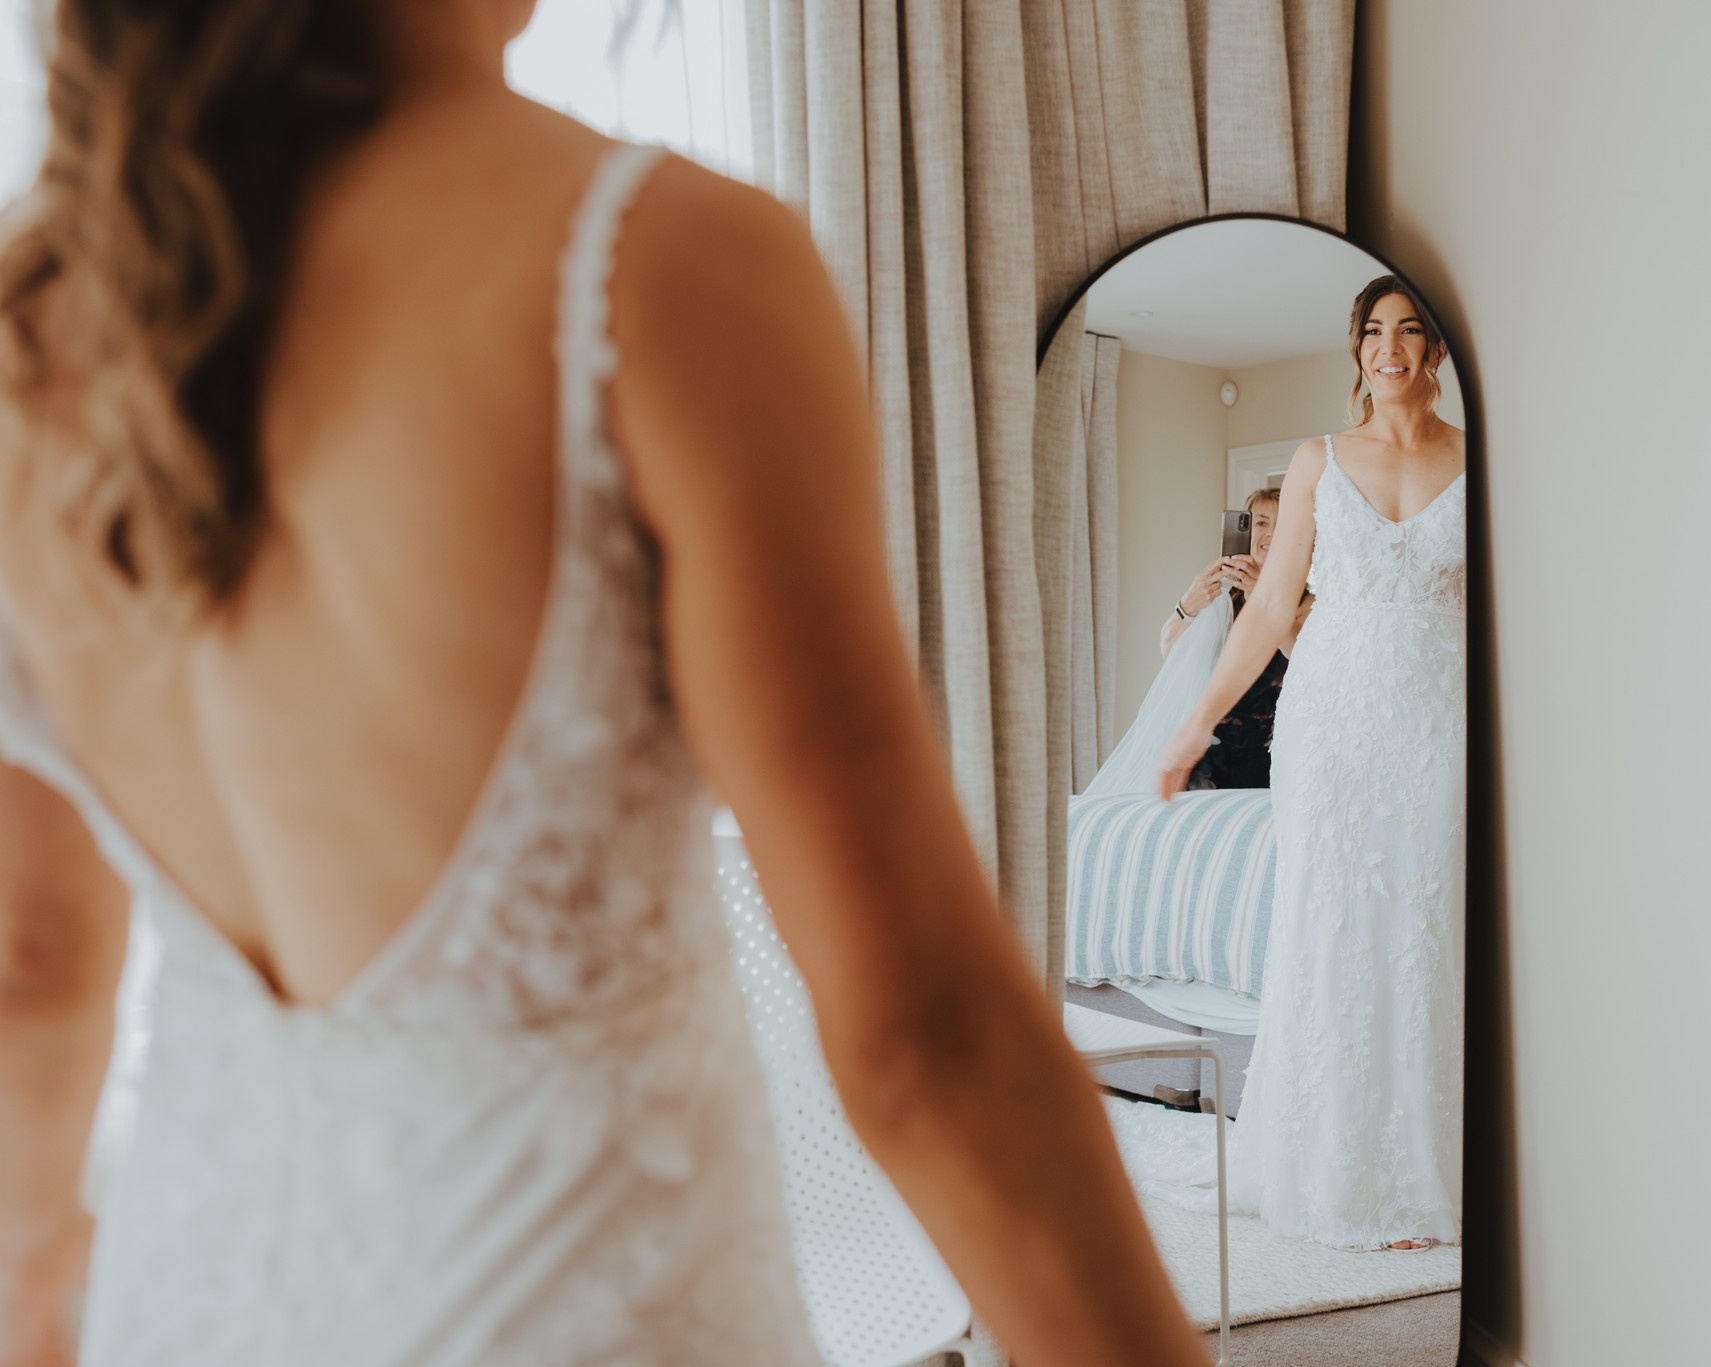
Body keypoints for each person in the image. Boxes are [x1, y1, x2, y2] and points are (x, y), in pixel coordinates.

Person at [0, 3, 1207, 1364]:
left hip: (187, 1302)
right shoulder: (654, 260)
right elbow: (925, 1036)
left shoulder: (32, 333)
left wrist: (35, 1293)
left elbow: (30, 965)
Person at [1158, 276, 1466, 1251]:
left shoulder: (1478, 459)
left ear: (1434, 349)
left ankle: (1421, 1169)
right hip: (1333, 721)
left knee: (1424, 923)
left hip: (1437, 718)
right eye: (1372, 331)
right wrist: (1195, 724)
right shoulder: (1317, 461)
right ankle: (1330, 1167)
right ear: (1357, 348)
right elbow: (1266, 609)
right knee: (1330, 923)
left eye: (1407, 330)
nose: (1388, 347)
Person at [1157, 490, 1307, 790]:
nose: (1271, 533)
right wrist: (1188, 604)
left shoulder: (1306, 602)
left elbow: (1302, 656)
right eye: (1261, 523)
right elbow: (1171, 653)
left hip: (1269, 755)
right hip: (1207, 752)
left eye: (1283, 524)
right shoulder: (1220, 596)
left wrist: (1261, 596)